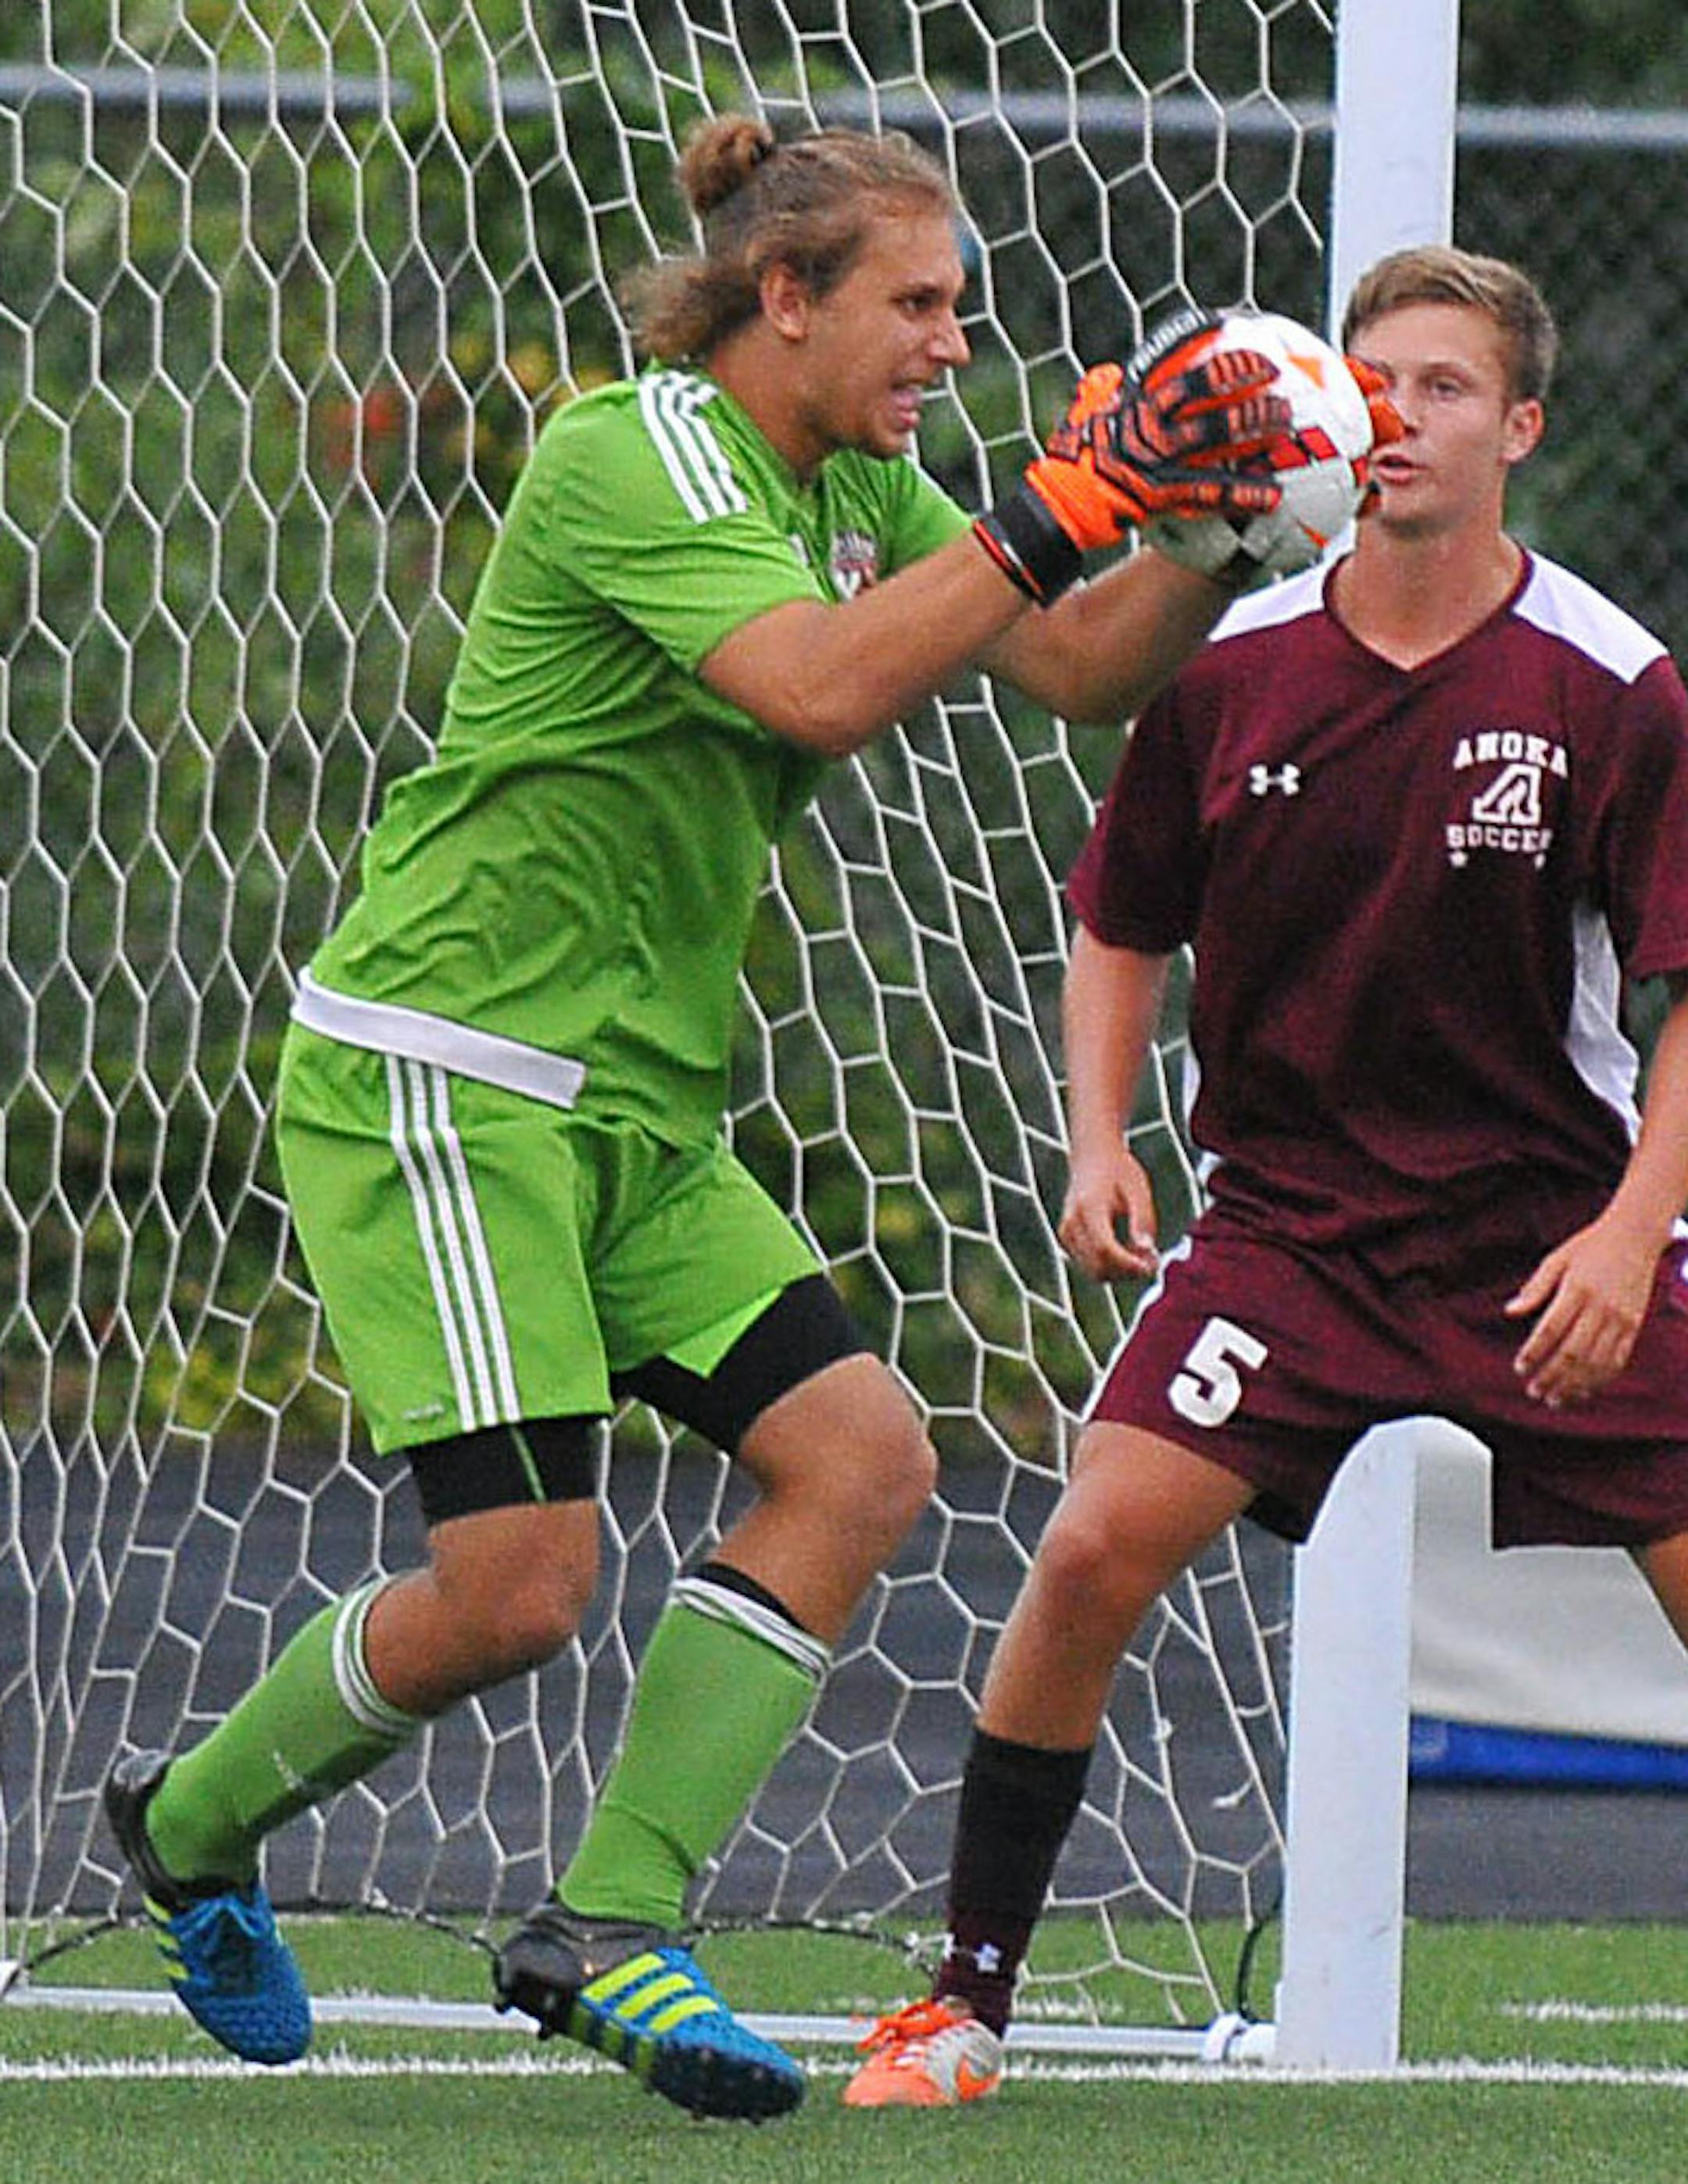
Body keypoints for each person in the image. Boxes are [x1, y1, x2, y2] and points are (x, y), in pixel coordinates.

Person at [102, 114, 1296, 2119]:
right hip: (450, 1075)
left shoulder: (873, 483)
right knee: (520, 1588)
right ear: (785, 297)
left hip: (635, 1105)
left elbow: (1082, 674)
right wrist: (1055, 503)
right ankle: (195, 1826)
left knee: (862, 1459)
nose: (951, 338)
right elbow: (818, 690)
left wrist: (1197, 536)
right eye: (915, 303)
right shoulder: (628, 449)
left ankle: (605, 1922)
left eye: (963, 304)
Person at [843, 242, 1688, 2108]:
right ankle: (960, 2003)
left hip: (1548, 1239)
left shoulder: (1610, 680)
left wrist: (1636, 1232)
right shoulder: (1228, 658)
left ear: (1524, 426)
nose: (1398, 418)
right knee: (1085, 1553)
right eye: (1371, 382)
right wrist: (1098, 1137)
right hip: (1288, 1232)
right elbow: (1120, 916)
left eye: (1447, 386)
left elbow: (1681, 992)